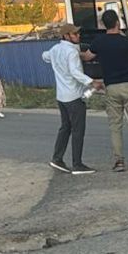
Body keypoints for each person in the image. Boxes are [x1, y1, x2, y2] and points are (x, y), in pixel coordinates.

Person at [87, 9, 128, 172]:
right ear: (117, 22)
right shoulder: (126, 41)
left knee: (115, 126)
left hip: (111, 87)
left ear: (103, 25)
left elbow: (87, 56)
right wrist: (124, 37)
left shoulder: (99, 42)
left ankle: (119, 162)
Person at [43, 23, 96, 175]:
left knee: (65, 127)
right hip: (74, 96)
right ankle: (77, 164)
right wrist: (92, 82)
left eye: (78, 33)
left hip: (61, 96)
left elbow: (44, 56)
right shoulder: (72, 52)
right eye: (74, 34)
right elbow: (75, 72)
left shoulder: (55, 49)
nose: (78, 36)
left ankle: (57, 158)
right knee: (78, 130)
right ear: (66, 36)